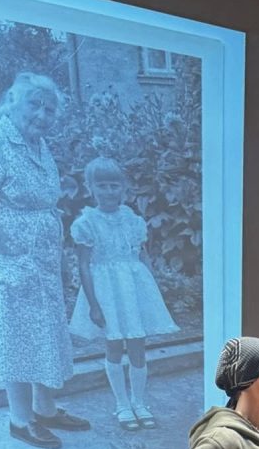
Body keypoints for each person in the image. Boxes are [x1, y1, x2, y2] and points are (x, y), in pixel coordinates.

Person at [0, 72, 89, 449]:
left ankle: (44, 408)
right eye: (35, 104)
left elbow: (45, 202)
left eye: (50, 109)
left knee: (46, 330)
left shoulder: (38, 144)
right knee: (15, 333)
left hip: (42, 258)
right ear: (13, 100)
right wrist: (10, 251)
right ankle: (20, 419)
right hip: (10, 258)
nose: (42, 115)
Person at [69, 157, 178, 432]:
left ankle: (139, 402)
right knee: (115, 345)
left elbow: (142, 257)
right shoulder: (86, 223)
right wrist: (94, 305)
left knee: (138, 346)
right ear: (91, 188)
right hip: (107, 293)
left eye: (114, 185)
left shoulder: (134, 221)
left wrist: (151, 296)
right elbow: (84, 266)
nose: (109, 191)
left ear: (124, 188)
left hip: (133, 290)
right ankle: (122, 404)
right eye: (102, 185)